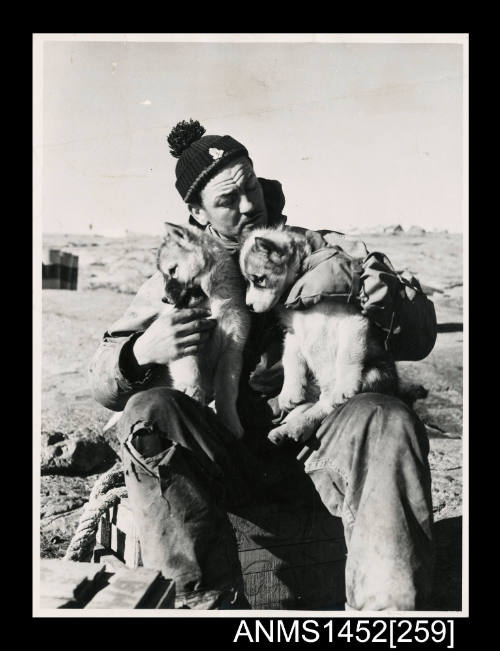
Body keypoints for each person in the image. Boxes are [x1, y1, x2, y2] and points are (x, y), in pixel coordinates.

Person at [89, 119, 435, 610]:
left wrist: (391, 303)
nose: (250, 205)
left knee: (386, 415)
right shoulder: (180, 274)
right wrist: (141, 352)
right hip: (226, 455)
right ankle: (205, 605)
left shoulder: (322, 249)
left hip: (320, 447)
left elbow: (420, 336)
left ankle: (389, 617)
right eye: (229, 201)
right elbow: (102, 379)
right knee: (150, 410)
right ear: (196, 211)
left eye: (250, 185)